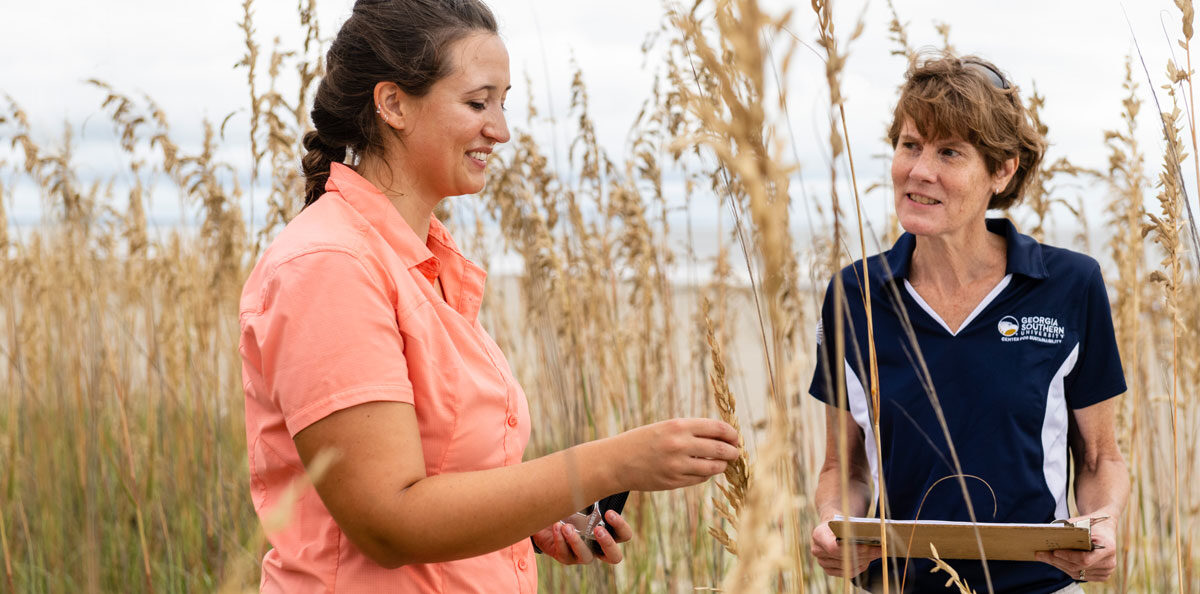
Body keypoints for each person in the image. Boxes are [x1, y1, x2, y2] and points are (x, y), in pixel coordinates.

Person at [237, 1, 740, 591]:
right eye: (478, 102)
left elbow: (438, 476)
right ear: (393, 103)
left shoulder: (424, 261)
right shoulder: (330, 266)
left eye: (504, 102)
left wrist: (530, 522)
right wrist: (610, 463)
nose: (500, 130)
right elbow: (387, 523)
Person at [807, 52, 1129, 593]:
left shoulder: (1071, 285)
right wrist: (833, 525)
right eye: (910, 145)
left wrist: (1102, 523)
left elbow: (1100, 459)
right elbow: (843, 468)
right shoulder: (853, 295)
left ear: (1001, 172)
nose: (918, 170)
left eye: (949, 153)